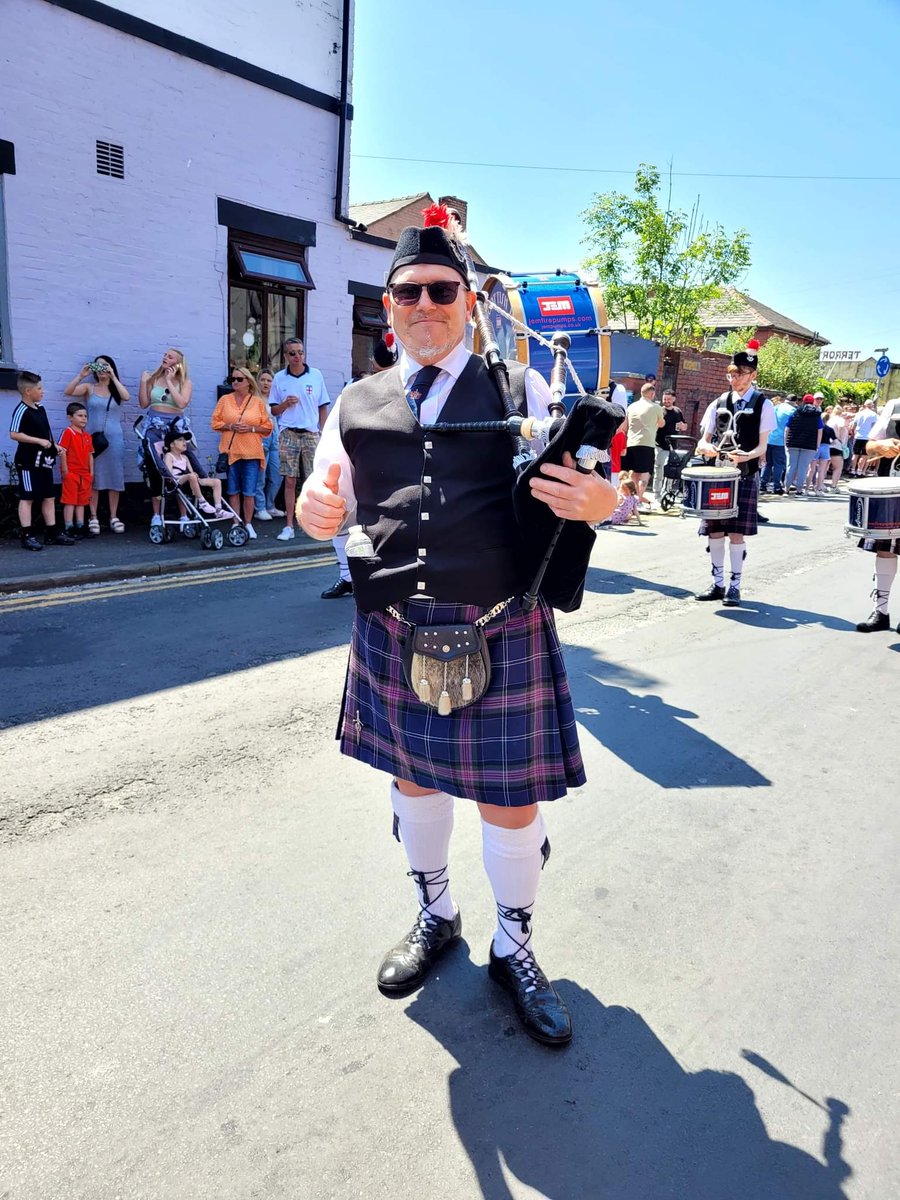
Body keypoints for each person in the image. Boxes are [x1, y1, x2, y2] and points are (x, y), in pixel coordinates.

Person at [298, 209, 616, 1045]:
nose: (425, 304)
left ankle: (514, 947)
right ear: (389, 303)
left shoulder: (522, 392)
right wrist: (310, 509)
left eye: (442, 291)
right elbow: (318, 502)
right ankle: (435, 915)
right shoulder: (356, 401)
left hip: (502, 625)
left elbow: (596, 488)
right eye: (409, 292)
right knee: (412, 783)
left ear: (468, 302)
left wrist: (604, 502)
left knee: (511, 805)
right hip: (396, 632)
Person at [694, 339, 776, 607]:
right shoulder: (719, 402)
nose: (734, 378)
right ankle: (717, 584)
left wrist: (747, 456)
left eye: (739, 373)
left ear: (752, 374)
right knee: (714, 531)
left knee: (736, 533)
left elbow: (763, 447)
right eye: (731, 373)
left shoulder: (764, 404)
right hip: (718, 475)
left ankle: (735, 587)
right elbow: (702, 441)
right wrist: (708, 448)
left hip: (745, 474)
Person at [321, 336, 398, 600]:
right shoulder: (356, 390)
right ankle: (347, 577)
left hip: (382, 466)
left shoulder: (409, 387)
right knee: (344, 522)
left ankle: (360, 577)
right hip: (362, 461)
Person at [270, 338, 331, 541]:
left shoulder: (315, 375)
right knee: (290, 480)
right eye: (293, 353)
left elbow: (323, 406)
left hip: (311, 433)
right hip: (288, 433)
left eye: (300, 352)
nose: (297, 357)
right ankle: (289, 526)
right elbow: (273, 409)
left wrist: (322, 433)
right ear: (286, 356)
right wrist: (285, 404)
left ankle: (314, 523)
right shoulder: (279, 378)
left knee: (314, 480)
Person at [9, 371, 76, 550]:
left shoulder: (41, 409)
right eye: (39, 388)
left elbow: (47, 433)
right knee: (28, 497)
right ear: (28, 391)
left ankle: (52, 532)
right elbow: (14, 433)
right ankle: (27, 535)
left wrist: (55, 447)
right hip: (28, 462)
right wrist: (38, 441)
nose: (42, 391)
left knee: (48, 496)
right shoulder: (21, 410)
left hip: (44, 461)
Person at [63, 356, 130, 534]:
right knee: (93, 476)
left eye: (105, 366)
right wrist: (81, 375)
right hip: (92, 439)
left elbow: (127, 397)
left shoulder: (116, 389)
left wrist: (113, 377)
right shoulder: (89, 388)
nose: (101, 369)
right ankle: (93, 516)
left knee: (115, 476)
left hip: (114, 439)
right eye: (98, 366)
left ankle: (114, 516)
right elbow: (68, 391)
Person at [854, 395, 900, 633]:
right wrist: (880, 446)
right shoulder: (894, 405)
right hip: (889, 488)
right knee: (885, 549)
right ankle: (880, 612)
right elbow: (869, 446)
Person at [210, 366, 273, 539]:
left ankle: (249, 523)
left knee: (249, 492)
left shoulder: (257, 402)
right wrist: (229, 426)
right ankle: (235, 523)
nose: (235, 382)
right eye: (233, 379)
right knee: (232, 490)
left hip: (252, 452)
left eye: (239, 379)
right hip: (231, 452)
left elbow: (268, 427)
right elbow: (215, 423)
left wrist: (251, 428)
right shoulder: (225, 400)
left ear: (248, 382)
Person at [138, 348, 193, 527]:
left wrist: (170, 381)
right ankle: (156, 514)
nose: (165, 358)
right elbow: (144, 403)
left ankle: (183, 514)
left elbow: (182, 402)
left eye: (170, 357)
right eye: (164, 355)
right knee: (155, 468)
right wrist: (143, 383)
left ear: (178, 363)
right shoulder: (154, 378)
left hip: (174, 427)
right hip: (154, 426)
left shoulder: (185, 382)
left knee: (179, 467)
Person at [163, 429, 226, 518]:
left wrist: (196, 476)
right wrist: (190, 476)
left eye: (184, 440)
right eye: (180, 440)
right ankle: (202, 502)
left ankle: (219, 509)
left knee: (217, 481)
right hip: (176, 481)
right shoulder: (169, 456)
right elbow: (169, 474)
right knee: (191, 476)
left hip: (189, 479)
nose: (184, 442)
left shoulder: (185, 457)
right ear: (172, 444)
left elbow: (191, 472)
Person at [622, 381, 664, 508]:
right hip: (647, 444)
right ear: (652, 394)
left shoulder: (631, 407)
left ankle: (629, 500)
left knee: (633, 473)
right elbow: (662, 424)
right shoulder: (656, 407)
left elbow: (625, 427)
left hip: (631, 443)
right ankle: (638, 500)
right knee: (645, 474)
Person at [58, 401, 94, 537]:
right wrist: (65, 471)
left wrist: (91, 473)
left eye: (85, 416)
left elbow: (91, 455)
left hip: (85, 474)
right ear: (70, 417)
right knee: (70, 501)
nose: (84, 418)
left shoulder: (87, 436)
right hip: (72, 473)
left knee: (82, 501)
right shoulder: (68, 433)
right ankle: (69, 527)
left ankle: (80, 526)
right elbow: (62, 451)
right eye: (80, 415)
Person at [252, 368, 284, 522]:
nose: (266, 383)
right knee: (261, 476)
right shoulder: (254, 399)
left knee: (278, 474)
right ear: (257, 381)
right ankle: (260, 508)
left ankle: (270, 505)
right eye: (263, 380)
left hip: (275, 438)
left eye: (269, 380)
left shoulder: (275, 398)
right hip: (261, 438)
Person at [783, 393, 823, 495]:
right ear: (813, 402)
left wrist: (786, 441)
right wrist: (817, 445)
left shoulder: (796, 412)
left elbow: (787, 428)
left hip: (793, 443)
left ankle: (786, 488)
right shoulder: (817, 415)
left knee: (791, 466)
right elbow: (819, 431)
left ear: (803, 401)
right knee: (803, 467)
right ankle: (799, 489)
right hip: (809, 445)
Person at [653, 390, 686, 500]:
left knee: (671, 470)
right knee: (659, 469)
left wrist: (682, 426)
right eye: (665, 399)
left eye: (668, 399)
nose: (666, 401)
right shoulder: (660, 410)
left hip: (673, 446)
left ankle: (667, 491)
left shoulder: (677, 411)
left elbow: (684, 426)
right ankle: (657, 494)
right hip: (660, 444)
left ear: (673, 399)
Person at [759, 394, 792, 495]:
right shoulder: (792, 411)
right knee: (779, 465)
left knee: (767, 463)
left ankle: (762, 485)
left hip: (768, 439)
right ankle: (776, 486)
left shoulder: (775, 408)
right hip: (781, 441)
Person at [850, 398, 878, 477]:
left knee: (855, 454)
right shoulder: (873, 414)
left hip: (858, 436)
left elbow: (854, 425)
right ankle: (859, 471)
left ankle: (852, 470)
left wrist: (853, 433)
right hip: (867, 437)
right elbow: (873, 426)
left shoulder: (859, 414)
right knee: (864, 455)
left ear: (865, 405)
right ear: (871, 405)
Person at [826, 403, 849, 491]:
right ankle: (834, 486)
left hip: (828, 445)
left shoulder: (830, 420)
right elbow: (841, 426)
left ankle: (820, 485)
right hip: (837, 445)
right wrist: (839, 436)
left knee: (824, 466)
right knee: (838, 467)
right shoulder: (839, 420)